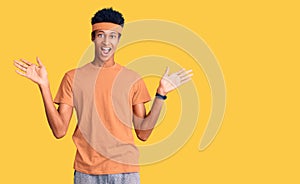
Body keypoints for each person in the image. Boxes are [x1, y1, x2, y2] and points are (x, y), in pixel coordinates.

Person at [13, 7, 192, 184]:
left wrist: (161, 95)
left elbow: (143, 133)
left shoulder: (132, 79)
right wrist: (44, 87)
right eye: (100, 35)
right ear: (93, 38)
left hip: (125, 171)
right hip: (86, 173)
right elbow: (59, 131)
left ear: (119, 39)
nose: (106, 42)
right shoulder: (72, 78)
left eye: (112, 36)